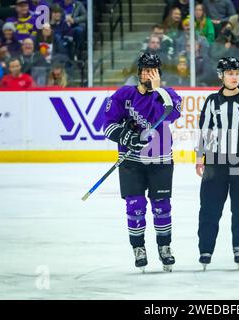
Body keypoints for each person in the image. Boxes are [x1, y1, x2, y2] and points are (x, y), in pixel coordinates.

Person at [103, 53, 182, 272]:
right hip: (131, 161)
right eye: (146, 70)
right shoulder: (124, 95)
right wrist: (127, 137)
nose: (149, 74)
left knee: (161, 206)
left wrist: (158, 91)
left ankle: (164, 247)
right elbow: (108, 125)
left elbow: (170, 115)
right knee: (135, 206)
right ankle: (138, 248)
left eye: (153, 71)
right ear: (139, 72)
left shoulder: (169, 95)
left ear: (159, 74)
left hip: (161, 159)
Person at [195, 57, 239, 269]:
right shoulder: (211, 101)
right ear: (221, 76)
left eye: (237, 73)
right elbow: (205, 130)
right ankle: (206, 249)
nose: (234, 77)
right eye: (230, 73)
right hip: (216, 161)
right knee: (209, 208)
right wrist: (200, 157)